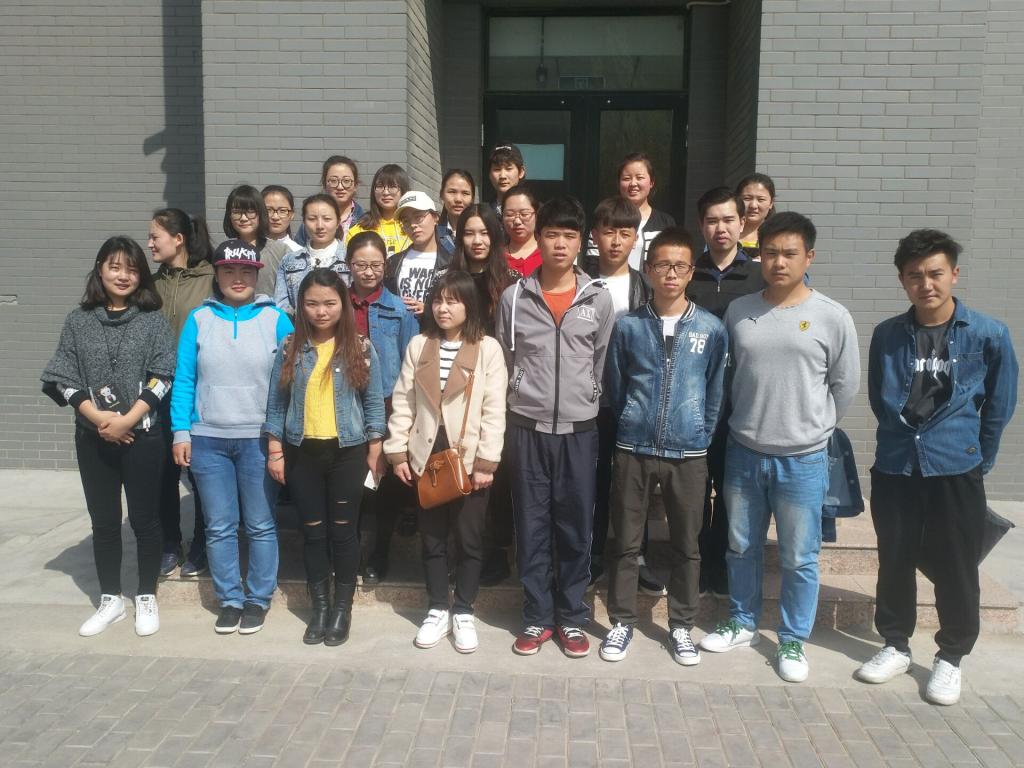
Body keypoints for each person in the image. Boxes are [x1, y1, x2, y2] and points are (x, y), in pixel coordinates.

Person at [855, 229, 1018, 705]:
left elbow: (1000, 406)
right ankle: (895, 645)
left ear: (954, 274)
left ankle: (951, 657)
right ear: (902, 280)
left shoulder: (988, 333)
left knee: (957, 566)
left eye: (935, 274)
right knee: (895, 559)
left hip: (955, 466)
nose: (925, 284)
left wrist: (977, 458)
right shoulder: (888, 334)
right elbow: (881, 398)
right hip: (897, 465)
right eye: (914, 276)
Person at [698, 212, 860, 684]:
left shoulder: (832, 316)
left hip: (803, 459)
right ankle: (742, 622)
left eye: (790, 254)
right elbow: (727, 376)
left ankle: (792, 638)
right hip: (744, 451)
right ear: (759, 256)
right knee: (741, 545)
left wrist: (813, 428)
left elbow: (845, 385)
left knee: (799, 555)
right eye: (770, 253)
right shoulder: (740, 311)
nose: (779, 262)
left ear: (809, 257)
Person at [600, 227, 728, 664]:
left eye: (680, 266)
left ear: (691, 272)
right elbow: (616, 385)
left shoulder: (711, 329)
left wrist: (700, 433)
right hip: (633, 447)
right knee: (626, 541)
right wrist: (632, 420)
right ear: (649, 269)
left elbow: (715, 391)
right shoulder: (629, 327)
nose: (671, 274)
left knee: (687, 545)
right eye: (662, 265)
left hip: (688, 453)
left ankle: (682, 626)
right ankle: (621, 622)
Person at [496, 196, 616, 658]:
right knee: (531, 525)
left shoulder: (598, 299)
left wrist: (585, 397)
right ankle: (536, 615)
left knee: (574, 525)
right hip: (527, 428)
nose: (560, 244)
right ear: (538, 239)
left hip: (579, 431)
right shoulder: (514, 298)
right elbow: (508, 357)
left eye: (569, 236)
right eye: (551, 235)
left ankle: (571, 617)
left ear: (581, 242)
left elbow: (600, 360)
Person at [42, 236, 176, 638]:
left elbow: (163, 376)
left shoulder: (153, 320)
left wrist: (127, 420)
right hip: (93, 436)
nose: (123, 276)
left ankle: (146, 595)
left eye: (132, 269)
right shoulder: (78, 320)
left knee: (145, 520)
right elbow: (62, 377)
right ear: (100, 269)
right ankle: (111, 598)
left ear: (141, 276)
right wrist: (99, 417)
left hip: (143, 438)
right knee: (103, 521)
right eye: (115, 267)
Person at [171, 239, 293, 635]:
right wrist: (180, 431)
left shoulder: (276, 319)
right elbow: (184, 379)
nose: (237, 278)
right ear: (218, 274)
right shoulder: (199, 319)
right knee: (220, 526)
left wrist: (280, 438)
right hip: (208, 440)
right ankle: (229, 599)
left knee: (260, 524)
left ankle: (258, 598)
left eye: (245, 271)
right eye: (228, 271)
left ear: (257, 274)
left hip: (258, 439)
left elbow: (291, 381)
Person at [386, 271, 508, 653]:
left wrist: (487, 460)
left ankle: (465, 610)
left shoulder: (487, 349)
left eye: (452, 301)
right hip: (427, 454)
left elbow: (494, 409)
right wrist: (397, 450)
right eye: (438, 300)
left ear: (469, 305)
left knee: (470, 538)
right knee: (433, 537)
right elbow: (404, 400)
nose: (443, 308)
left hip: (468, 457)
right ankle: (438, 607)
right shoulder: (420, 345)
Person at [265, 269, 386, 646]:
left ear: (343, 305)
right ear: (301, 306)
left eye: (330, 303)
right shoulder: (290, 346)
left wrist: (375, 449)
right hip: (302, 453)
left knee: (344, 533)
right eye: (312, 303)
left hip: (347, 453)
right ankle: (319, 607)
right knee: (314, 533)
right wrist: (275, 450)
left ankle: (341, 610)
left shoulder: (360, 347)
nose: (321, 311)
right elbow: (276, 403)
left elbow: (373, 403)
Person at [581, 197, 664, 597]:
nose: (616, 241)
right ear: (594, 235)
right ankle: (593, 554)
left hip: (633, 399)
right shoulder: (580, 281)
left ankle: (638, 557)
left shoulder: (646, 287)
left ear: (635, 239)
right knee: (592, 481)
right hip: (588, 401)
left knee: (635, 482)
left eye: (625, 233)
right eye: (609, 231)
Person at [686, 187, 765, 599]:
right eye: (712, 220)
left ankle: (722, 568)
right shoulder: (688, 273)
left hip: (741, 405)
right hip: (693, 404)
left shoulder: (758, 278)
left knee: (734, 493)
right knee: (696, 493)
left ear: (743, 222)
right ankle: (697, 568)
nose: (721, 228)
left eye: (729, 219)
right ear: (702, 225)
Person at [444, 204, 518, 586]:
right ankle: (457, 552)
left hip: (495, 389)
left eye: (484, 232)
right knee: (456, 474)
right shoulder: (449, 280)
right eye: (469, 233)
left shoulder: (511, 283)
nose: (477, 240)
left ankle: (496, 552)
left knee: (493, 476)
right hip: (455, 391)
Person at [345, 231, 419, 584]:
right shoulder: (337, 304)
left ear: (385, 266)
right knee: (351, 483)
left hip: (388, 405)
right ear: (349, 265)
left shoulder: (400, 309)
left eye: (376, 264)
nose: (369, 271)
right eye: (361, 264)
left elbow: (410, 361)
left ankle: (380, 552)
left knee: (384, 485)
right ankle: (349, 552)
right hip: (345, 405)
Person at [149, 208, 215, 578]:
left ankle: (202, 542)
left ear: (178, 239)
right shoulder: (150, 284)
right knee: (163, 474)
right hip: (158, 390)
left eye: (155, 236)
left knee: (200, 473)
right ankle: (170, 544)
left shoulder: (210, 279)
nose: (149, 243)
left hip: (198, 388)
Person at [581, 153, 676, 273]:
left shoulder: (666, 223)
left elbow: (671, 262)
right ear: (618, 183)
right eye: (626, 178)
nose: (633, 183)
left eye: (639, 178)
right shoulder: (604, 218)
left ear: (651, 182)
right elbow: (592, 264)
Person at [275, 194, 350, 314]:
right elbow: (282, 307)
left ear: (338, 222)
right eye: (312, 219)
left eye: (327, 219)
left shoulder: (350, 259)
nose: (320, 226)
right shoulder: (289, 261)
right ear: (304, 222)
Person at [384, 191, 452, 322]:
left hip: (436, 330)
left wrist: (429, 309)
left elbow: (460, 304)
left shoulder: (451, 262)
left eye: (418, 217)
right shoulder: (392, 262)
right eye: (406, 221)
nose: (413, 225)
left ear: (435, 217)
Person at [223, 184, 290, 298]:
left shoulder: (281, 251)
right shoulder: (224, 252)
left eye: (250, 212)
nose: (243, 218)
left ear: (261, 214)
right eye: (237, 212)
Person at [296, 156, 366, 247]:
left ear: (355, 185)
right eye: (333, 181)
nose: (340, 187)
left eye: (346, 181)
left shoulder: (365, 221)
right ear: (324, 184)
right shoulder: (312, 221)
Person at [347, 164, 412, 257]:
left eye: (392, 186)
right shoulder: (359, 230)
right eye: (380, 186)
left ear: (403, 190)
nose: (385, 192)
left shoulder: (414, 226)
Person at [502, 184, 542, 277]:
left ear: (536, 215)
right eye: (510, 215)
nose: (517, 221)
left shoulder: (548, 255)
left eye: (524, 214)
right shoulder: (495, 257)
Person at [735, 173, 776, 261]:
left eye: (761, 199)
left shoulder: (778, 236)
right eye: (747, 198)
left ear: (771, 203)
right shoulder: (726, 233)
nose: (753, 205)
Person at [438, 169, 476, 253]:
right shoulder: (432, 232)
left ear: (472, 198)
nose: (458, 199)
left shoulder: (482, 231)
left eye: (465, 193)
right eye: (452, 192)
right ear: (441, 195)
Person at [487, 142, 526, 212]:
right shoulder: (483, 213)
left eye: (508, 169)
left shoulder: (536, 211)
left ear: (521, 172)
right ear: (489, 174)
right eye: (497, 169)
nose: (502, 176)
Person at [262, 185, 300, 252]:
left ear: (292, 214)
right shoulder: (249, 251)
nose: (275, 217)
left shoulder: (298, 252)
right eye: (268, 210)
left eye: (282, 211)